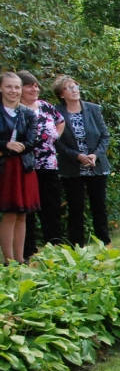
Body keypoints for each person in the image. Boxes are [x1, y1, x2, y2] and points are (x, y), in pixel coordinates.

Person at [53, 75, 110, 246]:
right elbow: (56, 141)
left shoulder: (93, 109)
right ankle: (77, 246)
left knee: (99, 207)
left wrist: (95, 155)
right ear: (61, 94)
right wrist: (77, 156)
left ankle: (104, 244)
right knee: (75, 208)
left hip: (96, 165)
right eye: (69, 88)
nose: (74, 90)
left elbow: (105, 136)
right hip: (72, 167)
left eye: (75, 86)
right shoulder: (56, 112)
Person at [18, 71, 64, 255]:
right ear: (20, 88)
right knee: (28, 209)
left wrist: (56, 137)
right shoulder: (17, 110)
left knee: (51, 206)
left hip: (49, 164)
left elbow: (60, 121)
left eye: (36, 85)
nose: (34, 88)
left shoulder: (45, 106)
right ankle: (28, 250)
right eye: (29, 85)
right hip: (26, 165)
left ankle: (55, 247)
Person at [0, 72, 39, 264]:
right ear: (1, 88)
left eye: (16, 87)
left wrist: (16, 147)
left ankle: (20, 258)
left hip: (24, 166)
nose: (13, 91)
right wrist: (5, 146)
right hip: (5, 168)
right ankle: (8, 261)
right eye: (9, 86)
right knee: (9, 212)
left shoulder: (29, 113)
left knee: (23, 214)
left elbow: (32, 142)